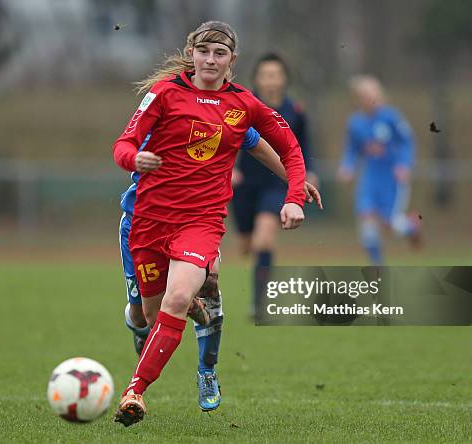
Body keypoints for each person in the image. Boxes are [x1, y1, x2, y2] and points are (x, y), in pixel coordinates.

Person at [112, 20, 307, 426]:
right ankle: (182, 314)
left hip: (200, 223)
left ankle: (138, 391)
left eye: (220, 53)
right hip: (145, 220)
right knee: (150, 315)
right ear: (192, 54)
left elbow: (281, 146)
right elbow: (123, 145)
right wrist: (135, 159)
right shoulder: (164, 95)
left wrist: (295, 191)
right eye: (205, 51)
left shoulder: (242, 105)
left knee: (180, 296)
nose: (211, 60)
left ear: (232, 61)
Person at [119, 129, 322, 412]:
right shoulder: (162, 108)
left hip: (197, 223)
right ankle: (141, 322)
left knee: (209, 285)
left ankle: (207, 371)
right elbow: (129, 152)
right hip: (142, 225)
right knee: (147, 315)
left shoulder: (226, 109)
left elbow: (257, 144)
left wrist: (294, 182)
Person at [231, 53, 319, 316]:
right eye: (265, 75)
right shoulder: (244, 106)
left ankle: (259, 303)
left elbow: (304, 147)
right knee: (248, 244)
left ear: (284, 80)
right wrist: (230, 169)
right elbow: (229, 137)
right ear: (256, 79)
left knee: (263, 241)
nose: (271, 81)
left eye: (276, 75)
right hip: (244, 185)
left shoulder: (296, 111)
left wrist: (309, 172)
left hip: (277, 184)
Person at [337, 75, 421, 265]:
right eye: (365, 95)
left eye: (373, 94)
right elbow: (351, 149)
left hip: (391, 178)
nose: (370, 99)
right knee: (366, 221)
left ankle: (411, 227)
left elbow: (407, 142)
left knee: (389, 224)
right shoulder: (355, 123)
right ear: (358, 98)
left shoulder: (391, 117)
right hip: (369, 179)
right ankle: (377, 267)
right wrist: (347, 167)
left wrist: (404, 165)